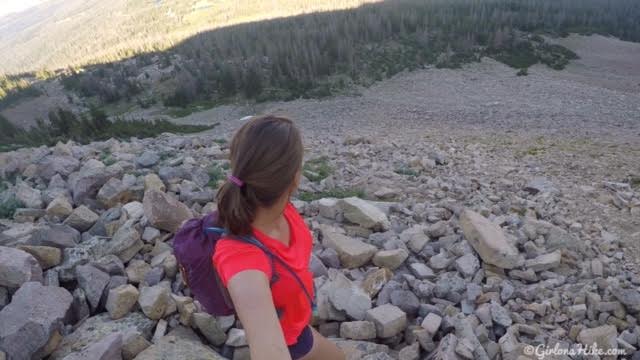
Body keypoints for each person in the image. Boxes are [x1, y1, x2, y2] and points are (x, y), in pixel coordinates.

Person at [212, 115, 345, 360]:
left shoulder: (283, 208)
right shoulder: (241, 257)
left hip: (299, 327)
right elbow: (268, 348)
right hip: (291, 343)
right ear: (295, 178)